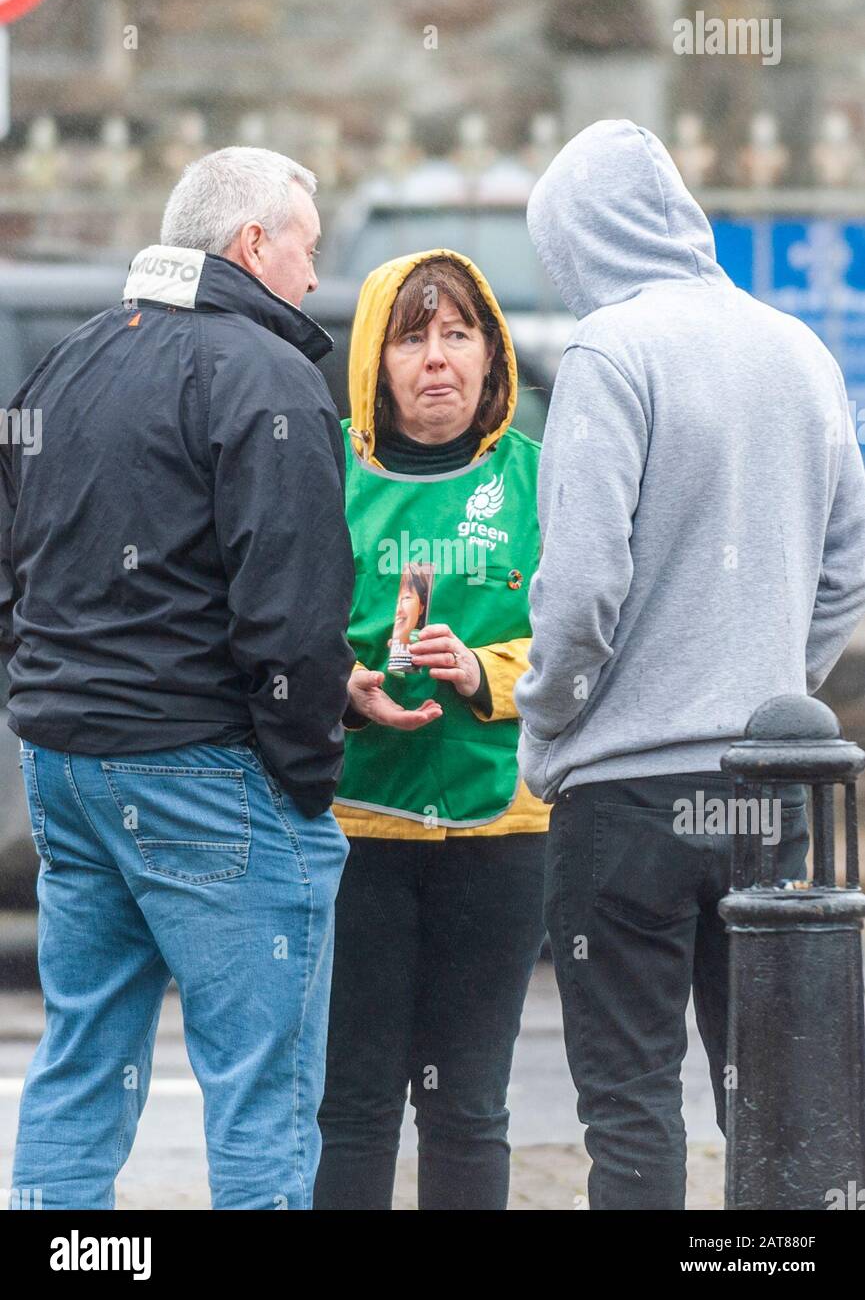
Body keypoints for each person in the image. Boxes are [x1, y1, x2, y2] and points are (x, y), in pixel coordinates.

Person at [515, 119, 865, 1211]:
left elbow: (578, 590)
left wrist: (548, 727)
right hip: (769, 797)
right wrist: (771, 698)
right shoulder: (799, 350)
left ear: (577, 240)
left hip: (625, 795)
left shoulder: (610, 351)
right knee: (774, 1097)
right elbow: (846, 570)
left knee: (629, 1104)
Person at [1, 147, 354, 1210]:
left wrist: (48, 698)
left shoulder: (68, 361)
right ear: (252, 243)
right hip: (206, 771)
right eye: (307, 247)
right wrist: (305, 775)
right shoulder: (270, 378)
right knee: (260, 1096)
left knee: (80, 1065)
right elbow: (292, 609)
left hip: (67, 767)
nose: (311, 275)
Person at [313, 251, 548, 1211]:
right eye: (412, 337)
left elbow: (592, 638)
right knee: (354, 1104)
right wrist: (340, 681)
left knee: (468, 1107)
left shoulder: (538, 479)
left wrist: (488, 672)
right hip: (355, 831)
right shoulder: (322, 465)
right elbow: (265, 613)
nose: (437, 360)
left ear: (492, 356)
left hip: (499, 833)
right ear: (375, 356)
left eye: (458, 335)